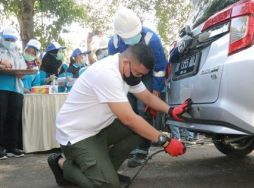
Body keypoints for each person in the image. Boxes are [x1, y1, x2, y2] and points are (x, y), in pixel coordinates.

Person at [47, 43, 189, 188]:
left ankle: (105, 171)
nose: (139, 77)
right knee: (108, 185)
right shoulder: (107, 73)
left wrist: (171, 110)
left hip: (99, 128)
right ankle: (63, 164)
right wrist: (165, 141)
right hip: (76, 135)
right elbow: (128, 119)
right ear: (127, 62)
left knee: (142, 131)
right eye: (138, 73)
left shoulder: (127, 71)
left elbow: (146, 96)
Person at [108, 7, 168, 168]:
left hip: (148, 74)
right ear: (119, 35)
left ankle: (142, 149)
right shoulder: (113, 43)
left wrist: (155, 92)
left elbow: (160, 68)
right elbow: (114, 70)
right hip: (124, 76)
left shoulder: (151, 38)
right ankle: (131, 147)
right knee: (129, 111)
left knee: (144, 110)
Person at [0, 27, 26, 159]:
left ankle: (11, 147)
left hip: (16, 89)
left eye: (12, 39)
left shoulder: (18, 53)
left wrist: (23, 71)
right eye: (7, 39)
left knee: (14, 118)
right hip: (1, 87)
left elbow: (23, 69)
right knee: (1, 117)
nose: (10, 41)